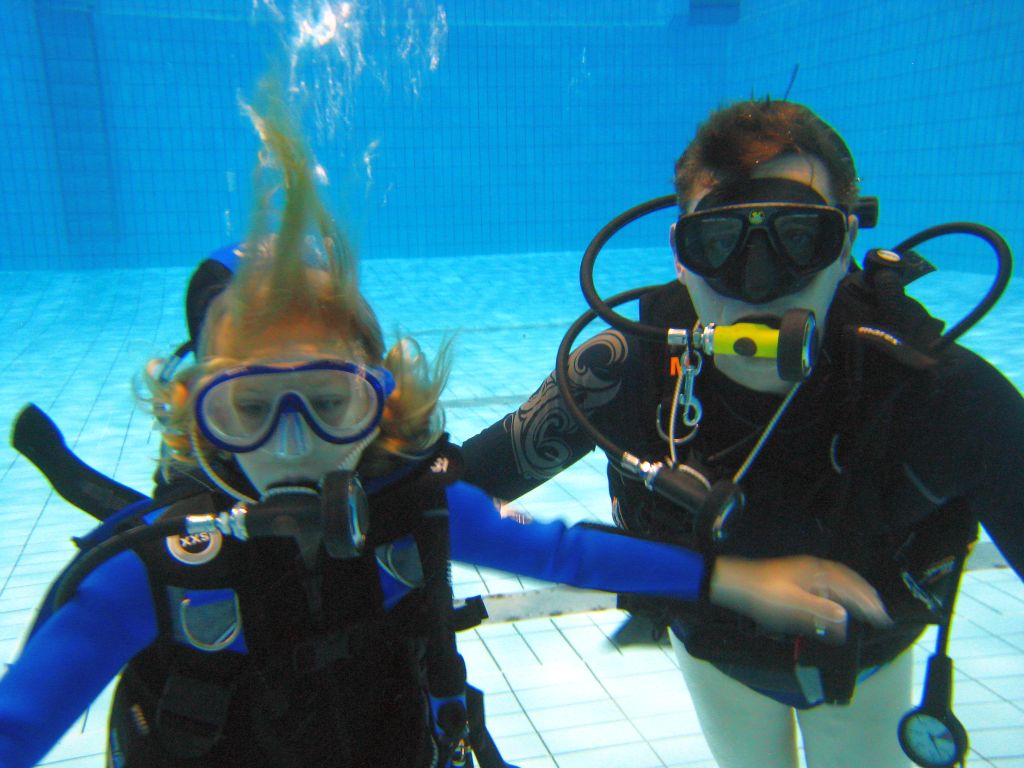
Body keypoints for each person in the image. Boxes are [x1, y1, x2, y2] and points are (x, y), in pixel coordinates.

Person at [0, 92, 895, 768]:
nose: (291, 444)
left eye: (331, 403)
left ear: (382, 400)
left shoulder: (413, 508)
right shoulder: (154, 573)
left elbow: (561, 550)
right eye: (247, 409)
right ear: (196, 417)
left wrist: (733, 579)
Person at [461, 98, 1024, 768]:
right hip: (717, 655)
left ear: (845, 245)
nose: (758, 286)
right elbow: (440, 495)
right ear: (681, 255)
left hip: (867, 666)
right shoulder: (625, 368)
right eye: (720, 242)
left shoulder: (938, 394)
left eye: (800, 237)